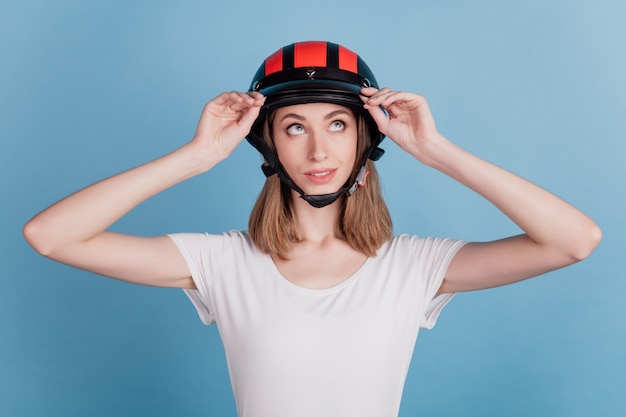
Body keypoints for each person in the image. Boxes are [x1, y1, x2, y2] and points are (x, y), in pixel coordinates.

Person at [23, 41, 601, 417]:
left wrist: (436, 150)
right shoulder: (223, 263)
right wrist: (196, 157)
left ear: (365, 141)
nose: (319, 147)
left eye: (337, 124)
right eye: (294, 126)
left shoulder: (412, 267)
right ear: (269, 144)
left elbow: (574, 241)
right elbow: (52, 236)